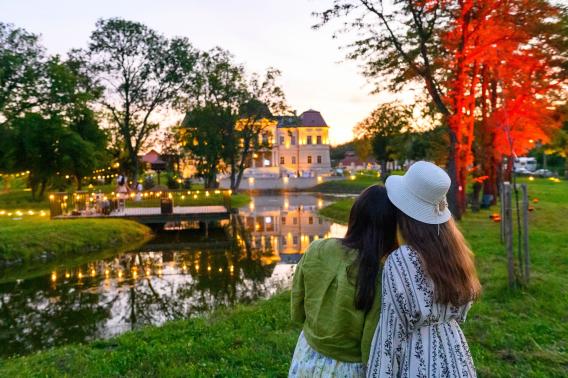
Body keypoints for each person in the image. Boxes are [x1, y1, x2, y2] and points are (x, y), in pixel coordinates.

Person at [367, 161, 481, 377]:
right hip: (455, 353)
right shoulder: (455, 253)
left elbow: (390, 335)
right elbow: (463, 309)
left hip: (417, 359)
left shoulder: (402, 260)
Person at [289, 185, 398, 377]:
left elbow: (297, 299)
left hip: (307, 353)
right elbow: (369, 338)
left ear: (355, 216)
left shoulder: (317, 248)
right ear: (389, 230)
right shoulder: (379, 274)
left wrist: (302, 320)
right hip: (348, 368)